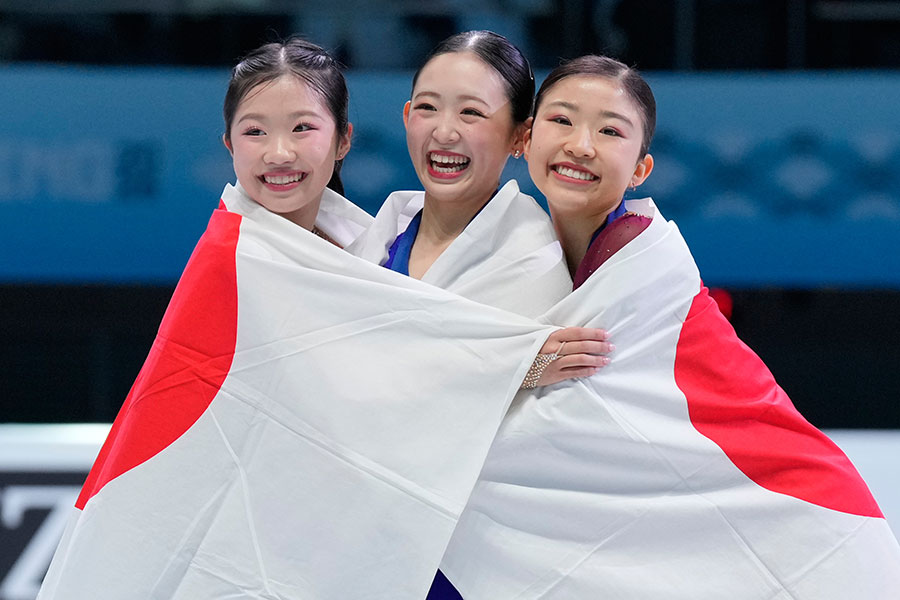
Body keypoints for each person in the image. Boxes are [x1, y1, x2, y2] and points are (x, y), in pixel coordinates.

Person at [35, 40, 607, 600]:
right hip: (304, 537)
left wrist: (507, 367)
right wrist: (505, 363)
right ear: (227, 145)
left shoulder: (377, 246)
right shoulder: (339, 247)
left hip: (458, 547)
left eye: (302, 128)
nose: (279, 152)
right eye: (255, 132)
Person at [437, 55, 900, 599]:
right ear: (526, 138)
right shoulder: (520, 250)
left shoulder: (637, 254)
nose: (581, 144)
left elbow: (566, 417)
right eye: (562, 120)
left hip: (790, 510)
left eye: (610, 130)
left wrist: (499, 372)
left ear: (639, 170)